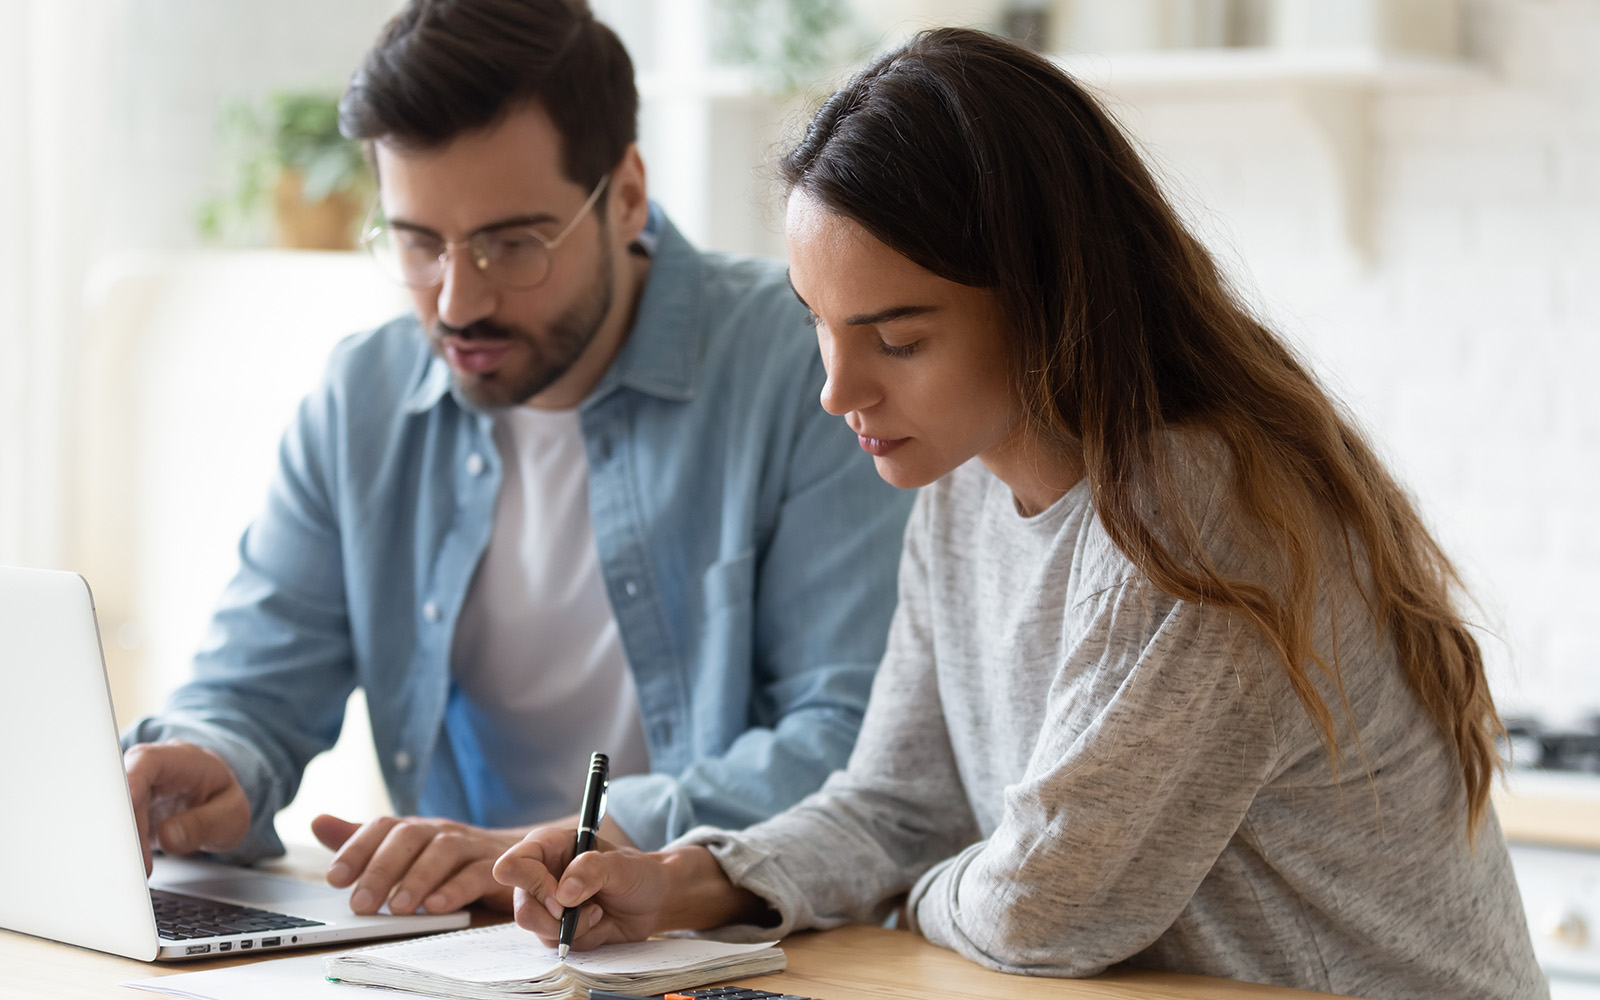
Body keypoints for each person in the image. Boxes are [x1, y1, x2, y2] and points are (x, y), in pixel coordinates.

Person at [491, 27, 1547, 1000]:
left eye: (897, 339)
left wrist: (914, 894)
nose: (836, 389)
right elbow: (900, 804)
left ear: (1049, 300)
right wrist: (694, 878)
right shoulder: (960, 485)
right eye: (819, 323)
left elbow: (1048, 906)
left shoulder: (1192, 507)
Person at [119, 0, 913, 919]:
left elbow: (851, 743)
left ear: (624, 195)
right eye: (418, 243)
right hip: (465, 949)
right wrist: (212, 759)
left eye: (511, 244)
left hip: (725, 942)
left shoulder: (804, 366)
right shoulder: (362, 398)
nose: (459, 302)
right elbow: (254, 683)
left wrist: (570, 842)